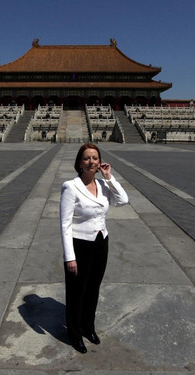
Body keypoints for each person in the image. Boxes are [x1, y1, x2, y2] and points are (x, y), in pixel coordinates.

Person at [59, 143, 129, 353]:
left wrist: (109, 177)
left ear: (100, 162)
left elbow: (123, 200)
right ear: (79, 163)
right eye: (87, 158)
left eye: (95, 158)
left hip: (101, 242)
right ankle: (74, 333)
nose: (92, 162)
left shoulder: (103, 184)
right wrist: (69, 257)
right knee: (76, 291)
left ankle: (88, 327)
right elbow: (65, 224)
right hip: (80, 245)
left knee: (93, 289)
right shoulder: (71, 186)